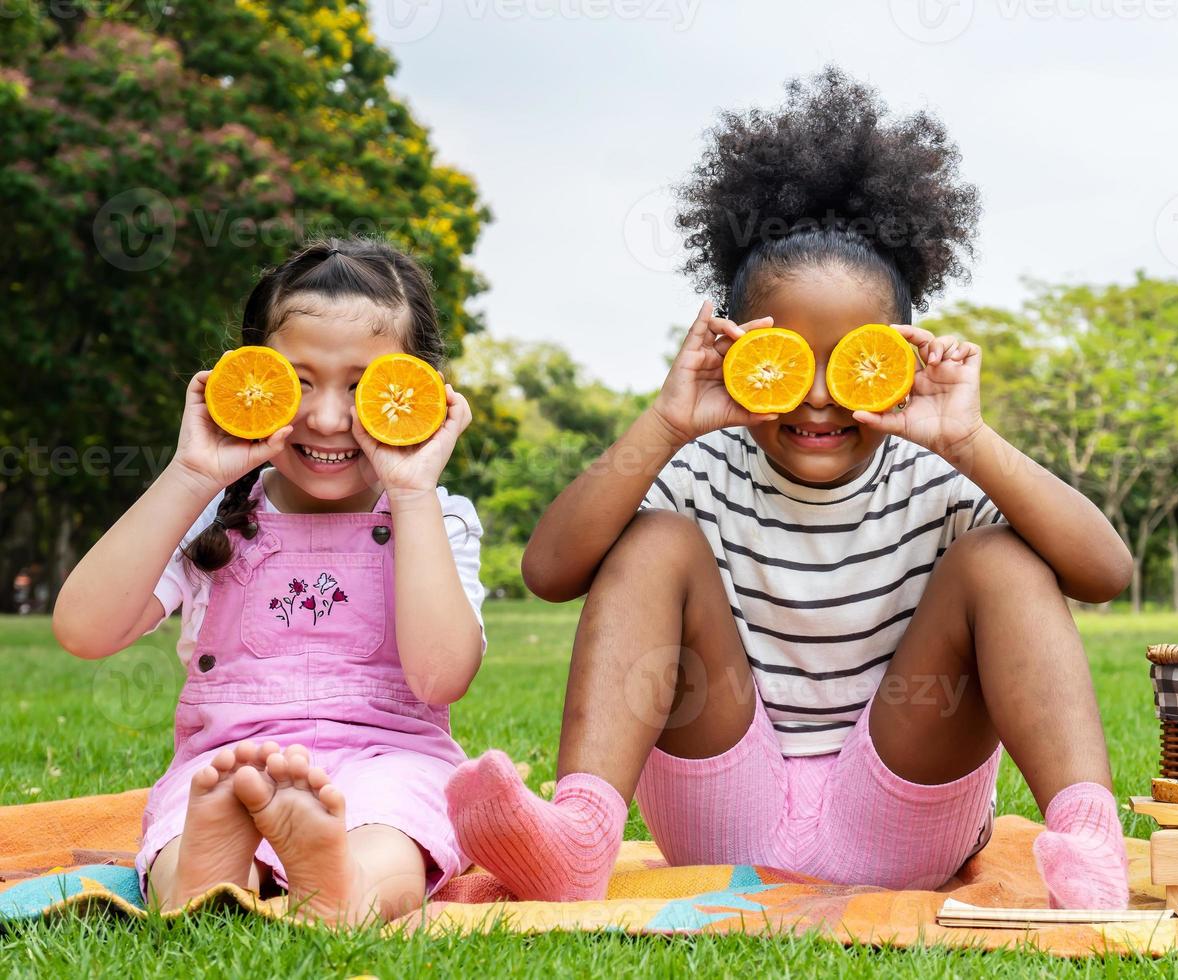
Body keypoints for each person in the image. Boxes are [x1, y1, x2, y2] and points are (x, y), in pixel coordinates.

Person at [448, 69, 1135, 909]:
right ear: (736, 352)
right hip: (721, 807)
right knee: (654, 538)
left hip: (902, 816)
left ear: (901, 358)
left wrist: (970, 440)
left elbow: (1105, 573)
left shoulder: (945, 474)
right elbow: (549, 573)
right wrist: (665, 423)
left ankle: (1092, 844)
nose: (817, 394)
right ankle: (582, 834)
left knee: (1003, 559)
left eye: (852, 361)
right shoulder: (697, 464)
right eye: (785, 361)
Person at [52, 238, 487, 923]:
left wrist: (410, 491)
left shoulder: (434, 517)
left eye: (362, 384)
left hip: (391, 759)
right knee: (194, 817)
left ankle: (340, 878)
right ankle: (209, 872)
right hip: (231, 763)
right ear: (249, 379)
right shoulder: (208, 516)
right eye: (299, 380)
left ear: (422, 392)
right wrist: (192, 475)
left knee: (394, 838)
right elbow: (84, 629)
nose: (326, 417)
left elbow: (441, 678)